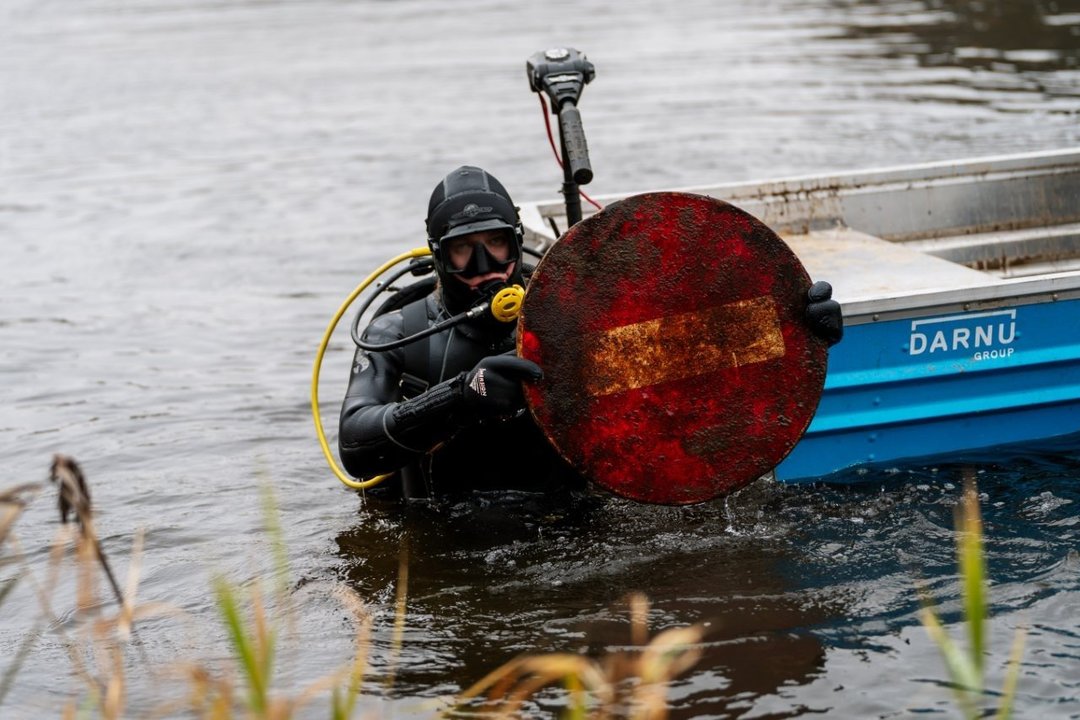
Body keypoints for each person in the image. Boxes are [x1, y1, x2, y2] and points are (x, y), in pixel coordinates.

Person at [338, 165, 843, 499]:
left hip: (570, 527)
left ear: (518, 241)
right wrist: (461, 397)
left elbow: (691, 352)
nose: (486, 265)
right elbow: (357, 449)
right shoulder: (398, 332)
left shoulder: (571, 317)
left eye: (498, 244)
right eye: (464, 250)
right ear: (437, 255)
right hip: (447, 536)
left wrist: (796, 329)